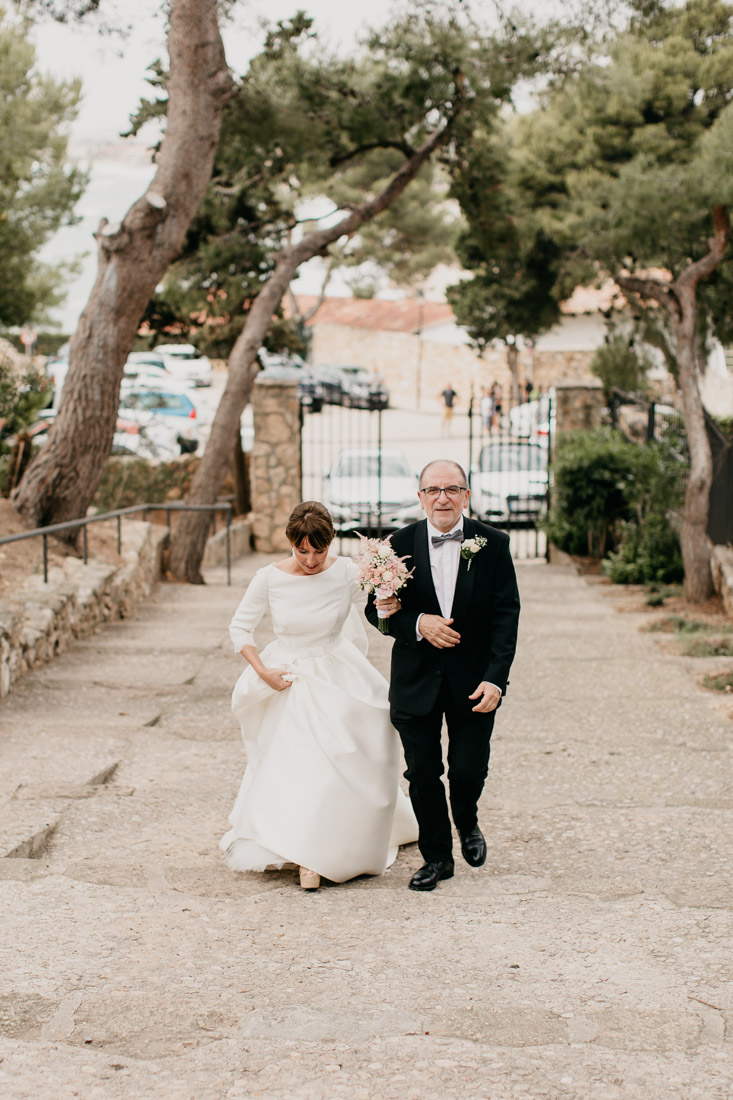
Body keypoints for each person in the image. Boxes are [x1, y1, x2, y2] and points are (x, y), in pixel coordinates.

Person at [221, 501, 418, 890]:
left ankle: (354, 832)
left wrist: (387, 596)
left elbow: (372, 606)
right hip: (291, 675)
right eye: (302, 550)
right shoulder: (268, 578)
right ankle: (307, 854)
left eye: (319, 550)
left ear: (330, 543)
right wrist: (263, 673)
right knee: (304, 762)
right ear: (291, 543)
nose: (311, 559)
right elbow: (240, 629)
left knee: (370, 734)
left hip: (337, 666)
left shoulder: (345, 570)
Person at [365, 461, 520, 892]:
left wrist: (496, 679)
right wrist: (417, 624)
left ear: (466, 495)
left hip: (474, 683)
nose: (442, 498)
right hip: (416, 682)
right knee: (422, 773)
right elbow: (375, 612)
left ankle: (467, 822)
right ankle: (437, 858)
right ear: (420, 497)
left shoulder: (493, 543)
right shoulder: (396, 546)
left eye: (452, 489)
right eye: (432, 490)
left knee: (468, 770)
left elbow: (506, 618)